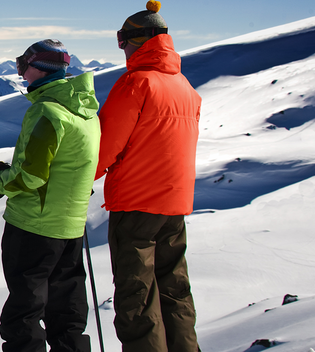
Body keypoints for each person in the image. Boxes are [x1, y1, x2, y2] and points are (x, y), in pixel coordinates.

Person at [0, 39, 100, 352]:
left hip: (34, 226)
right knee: (67, 312)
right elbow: (68, 167)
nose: (21, 72)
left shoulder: (47, 112)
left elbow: (30, 176)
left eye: (23, 64)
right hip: (71, 229)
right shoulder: (86, 113)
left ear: (40, 68)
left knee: (23, 316)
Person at [95, 1, 201, 351]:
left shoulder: (135, 83)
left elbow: (105, 146)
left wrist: (78, 179)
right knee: (174, 291)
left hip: (137, 204)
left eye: (122, 40)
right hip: (174, 203)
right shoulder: (184, 86)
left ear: (137, 40)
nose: (122, 47)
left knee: (136, 298)